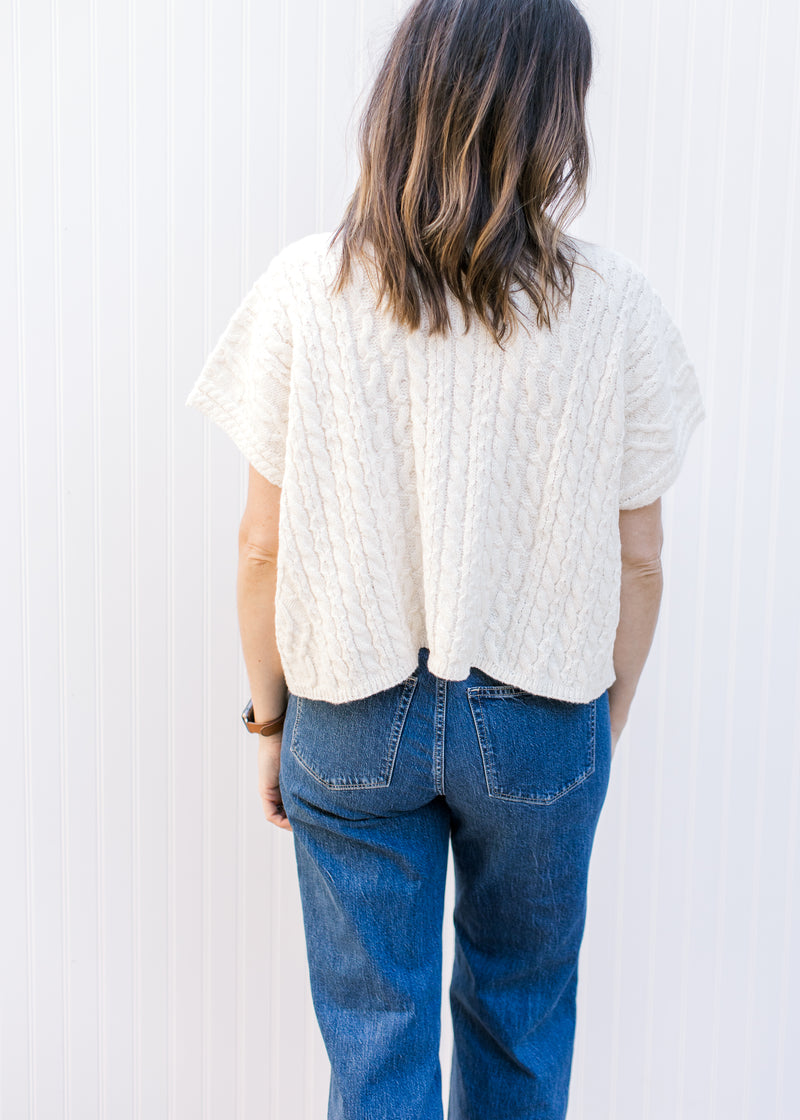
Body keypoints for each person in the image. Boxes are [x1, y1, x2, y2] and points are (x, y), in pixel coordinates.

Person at [184, 0, 706, 1116]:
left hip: (347, 712)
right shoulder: (611, 308)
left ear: (404, 95)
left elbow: (259, 545)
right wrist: (592, 727)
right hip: (540, 718)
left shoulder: (302, 290)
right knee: (519, 1019)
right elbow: (641, 559)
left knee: (376, 1042)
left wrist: (271, 722)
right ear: (551, 117)